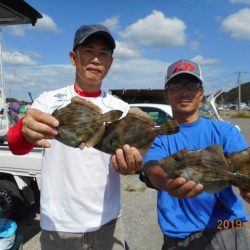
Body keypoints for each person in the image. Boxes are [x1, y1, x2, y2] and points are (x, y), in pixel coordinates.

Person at [7, 24, 142, 250]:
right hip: (59, 224)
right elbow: (16, 145)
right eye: (88, 51)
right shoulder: (49, 101)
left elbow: (136, 157)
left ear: (111, 61)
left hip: (108, 220)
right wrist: (23, 131)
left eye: (103, 53)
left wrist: (134, 165)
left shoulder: (121, 108)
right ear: (73, 57)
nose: (96, 59)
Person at [139, 59, 250, 250]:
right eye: (175, 85)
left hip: (228, 226)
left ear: (201, 92)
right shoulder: (159, 137)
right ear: (166, 94)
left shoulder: (225, 131)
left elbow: (243, 167)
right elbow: (152, 168)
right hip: (180, 235)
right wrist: (166, 183)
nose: (184, 91)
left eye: (192, 84)